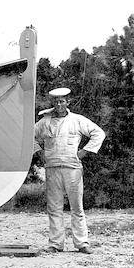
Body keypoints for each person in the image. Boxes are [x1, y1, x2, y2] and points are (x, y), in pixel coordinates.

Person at [32, 88, 106, 254]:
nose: (59, 105)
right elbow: (30, 135)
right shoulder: (45, 122)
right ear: (53, 103)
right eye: (56, 101)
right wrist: (39, 152)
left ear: (68, 102)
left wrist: (84, 151)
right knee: (54, 207)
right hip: (52, 168)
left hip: (72, 167)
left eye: (62, 101)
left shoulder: (77, 120)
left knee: (77, 207)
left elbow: (98, 133)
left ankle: (82, 243)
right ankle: (55, 244)